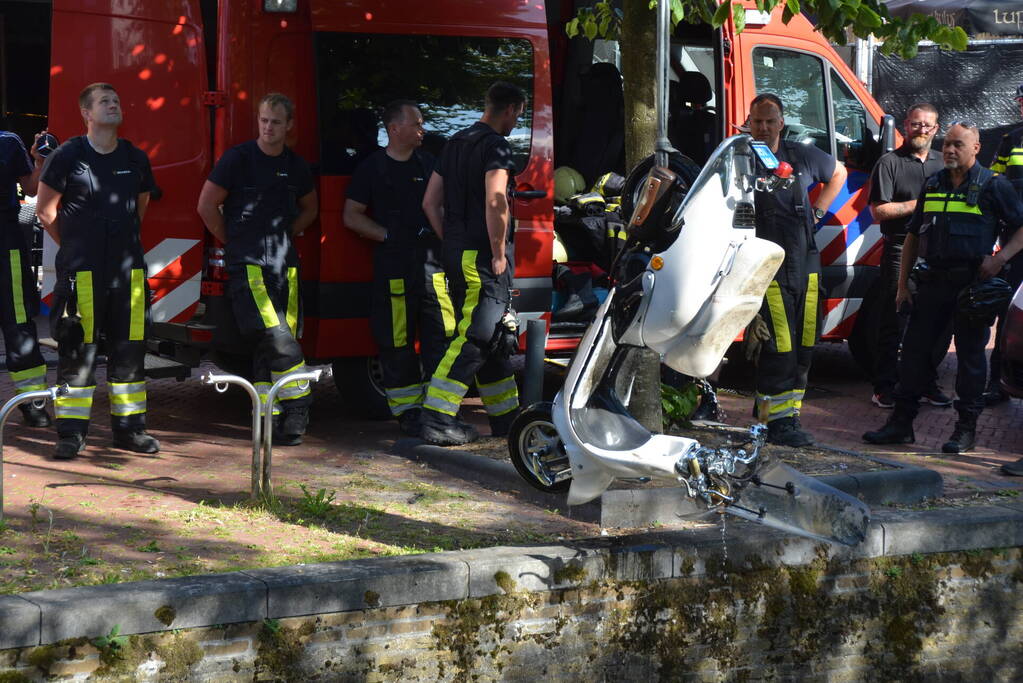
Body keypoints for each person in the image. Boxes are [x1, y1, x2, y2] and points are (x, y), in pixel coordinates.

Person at [863, 122, 1023, 454]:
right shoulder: (933, 183)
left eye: (958, 145)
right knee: (913, 356)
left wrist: (999, 259)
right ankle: (901, 425)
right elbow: (912, 236)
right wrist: (902, 288)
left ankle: (965, 430)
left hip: (971, 287)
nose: (949, 150)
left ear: (976, 148)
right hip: (932, 283)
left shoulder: (995, 186)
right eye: (947, 144)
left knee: (970, 361)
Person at [35, 83, 159, 459]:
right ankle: (71, 434)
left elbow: (140, 208)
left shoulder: (136, 158)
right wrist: (76, 244)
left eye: (116, 100)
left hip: (129, 275)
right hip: (82, 276)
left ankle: (130, 431)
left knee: (130, 353)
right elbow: (45, 211)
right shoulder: (67, 156)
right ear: (86, 113)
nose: (113, 105)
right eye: (104, 101)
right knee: (77, 353)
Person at [197, 93, 318, 446]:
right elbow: (207, 205)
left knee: (275, 343)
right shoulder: (238, 159)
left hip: (286, 265)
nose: (268, 127)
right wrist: (234, 242)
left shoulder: (296, 166)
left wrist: (290, 231)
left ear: (288, 125)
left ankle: (271, 415)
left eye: (275, 122)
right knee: (275, 337)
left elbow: (310, 208)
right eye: (264, 120)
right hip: (249, 266)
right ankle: (299, 405)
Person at [419, 81, 525, 446]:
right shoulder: (495, 146)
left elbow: (430, 202)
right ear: (510, 109)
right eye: (518, 114)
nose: (516, 122)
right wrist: (497, 252)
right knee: (477, 334)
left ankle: (506, 419)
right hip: (481, 256)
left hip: (457, 251)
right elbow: (496, 201)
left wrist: (450, 239)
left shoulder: (454, 143)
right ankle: (436, 417)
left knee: (493, 336)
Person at [343, 100, 453, 436]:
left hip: (433, 268)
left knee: (442, 338)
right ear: (394, 129)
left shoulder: (430, 163)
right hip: (394, 269)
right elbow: (352, 215)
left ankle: (441, 414)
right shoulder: (372, 168)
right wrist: (388, 236)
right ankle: (407, 414)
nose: (423, 130)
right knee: (397, 342)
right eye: (416, 124)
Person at [748, 94, 847, 447]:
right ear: (748, 121)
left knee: (805, 343)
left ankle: (788, 416)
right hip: (768, 264)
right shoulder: (741, 158)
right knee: (779, 346)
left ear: (781, 123)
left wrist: (818, 213)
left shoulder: (801, 154)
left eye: (769, 121)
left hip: (805, 262)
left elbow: (838, 173)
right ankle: (774, 423)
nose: (763, 128)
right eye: (757, 121)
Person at [868, 103, 952, 409]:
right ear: (906, 125)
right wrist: (921, 204)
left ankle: (926, 383)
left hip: (936, 250)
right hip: (900, 247)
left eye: (928, 126)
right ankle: (884, 387)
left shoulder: (944, 164)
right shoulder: (889, 163)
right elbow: (879, 211)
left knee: (934, 321)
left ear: (936, 129)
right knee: (893, 320)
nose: (922, 130)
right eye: (916, 124)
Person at [1, 126, 49, 428]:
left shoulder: (8, 142)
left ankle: (32, 403)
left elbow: (31, 189)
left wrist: (41, 160)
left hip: (6, 243)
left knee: (18, 321)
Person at [985, 83, 1023, 406]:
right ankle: (998, 382)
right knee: (1007, 307)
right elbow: (995, 182)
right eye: (1022, 102)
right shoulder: (1011, 140)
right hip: (1015, 239)